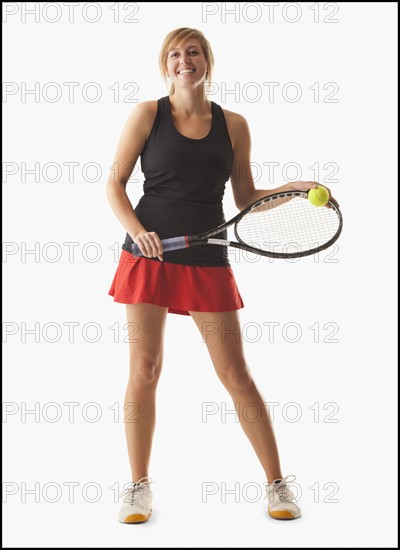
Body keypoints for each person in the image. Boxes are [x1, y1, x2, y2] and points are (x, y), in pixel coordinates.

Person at [107, 27, 335, 523]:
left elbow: (246, 198)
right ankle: (137, 487)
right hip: (149, 259)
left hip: (207, 259)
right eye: (174, 54)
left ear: (208, 60)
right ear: (164, 64)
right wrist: (137, 230)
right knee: (144, 371)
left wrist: (293, 189)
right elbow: (115, 183)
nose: (183, 60)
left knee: (236, 374)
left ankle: (277, 485)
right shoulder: (148, 114)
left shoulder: (235, 125)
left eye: (193, 52)